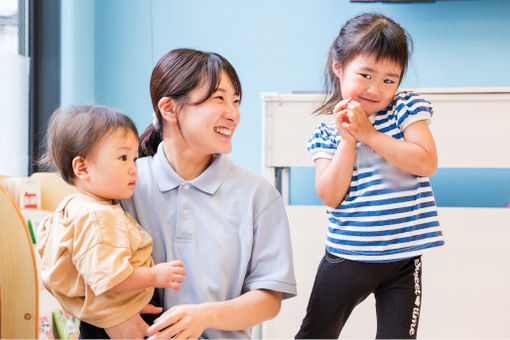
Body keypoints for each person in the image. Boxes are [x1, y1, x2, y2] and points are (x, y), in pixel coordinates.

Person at [121, 48, 297, 339]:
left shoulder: (259, 196)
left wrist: (204, 316)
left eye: (236, 101)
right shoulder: (127, 184)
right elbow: (80, 272)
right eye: (219, 98)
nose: (234, 114)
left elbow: (268, 300)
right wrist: (117, 320)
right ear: (169, 108)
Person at [295, 13, 445, 339]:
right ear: (339, 67)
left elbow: (426, 161)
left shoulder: (405, 110)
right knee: (316, 334)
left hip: (403, 261)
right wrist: (349, 138)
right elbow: (330, 195)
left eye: (390, 80)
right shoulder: (325, 133)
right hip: (346, 258)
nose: (376, 89)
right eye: (365, 74)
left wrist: (371, 135)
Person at [37, 105, 186, 339]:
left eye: (134, 159)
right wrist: (155, 276)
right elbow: (112, 277)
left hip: (109, 314)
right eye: (123, 157)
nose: (133, 169)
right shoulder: (98, 217)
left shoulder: (72, 206)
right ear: (82, 167)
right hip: (116, 321)